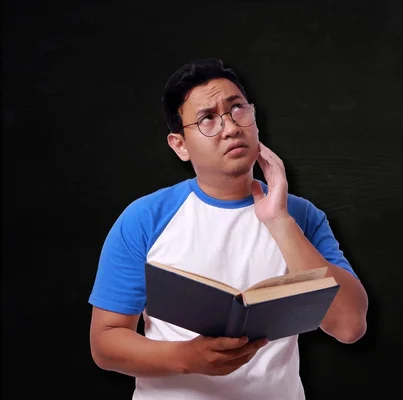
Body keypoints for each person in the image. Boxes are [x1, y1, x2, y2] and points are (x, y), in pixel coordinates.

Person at [88, 58, 369, 399]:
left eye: (238, 109)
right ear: (180, 145)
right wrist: (186, 357)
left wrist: (278, 221)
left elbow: (349, 326)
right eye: (208, 119)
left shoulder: (301, 216)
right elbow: (105, 343)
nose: (231, 127)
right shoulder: (145, 218)